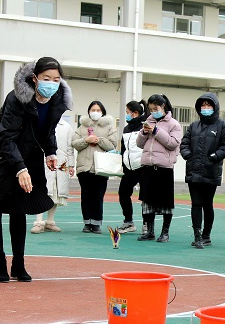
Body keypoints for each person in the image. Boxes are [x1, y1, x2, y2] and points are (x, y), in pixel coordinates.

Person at [0, 57, 72, 282]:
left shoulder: (56, 101)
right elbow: (6, 136)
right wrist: (20, 169)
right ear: (35, 78)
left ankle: (18, 264)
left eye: (56, 79)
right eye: (46, 78)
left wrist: (51, 152)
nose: (51, 83)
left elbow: (47, 130)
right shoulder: (16, 98)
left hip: (27, 154)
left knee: (19, 208)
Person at [180, 92, 225, 249]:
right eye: (203, 105)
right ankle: (197, 236)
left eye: (208, 105)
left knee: (207, 204)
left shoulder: (223, 126)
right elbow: (184, 143)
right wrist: (188, 155)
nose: (205, 108)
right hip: (193, 170)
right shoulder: (194, 126)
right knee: (196, 204)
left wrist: (215, 156)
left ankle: (206, 235)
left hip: (211, 170)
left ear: (215, 107)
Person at [135, 94, 182, 243]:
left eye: (156, 108)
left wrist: (156, 131)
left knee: (165, 202)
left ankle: (165, 232)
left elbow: (173, 143)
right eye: (151, 109)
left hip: (164, 167)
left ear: (163, 107)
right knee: (147, 201)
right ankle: (150, 231)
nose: (153, 111)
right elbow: (139, 143)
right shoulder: (148, 121)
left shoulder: (173, 124)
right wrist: (144, 132)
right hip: (147, 166)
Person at [72, 101, 118, 234]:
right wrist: (86, 140)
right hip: (84, 167)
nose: (95, 112)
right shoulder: (82, 127)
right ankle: (87, 222)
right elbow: (75, 143)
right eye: (93, 109)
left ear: (102, 112)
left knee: (98, 196)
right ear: (88, 112)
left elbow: (112, 145)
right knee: (86, 196)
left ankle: (96, 223)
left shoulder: (109, 127)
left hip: (101, 168)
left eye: (98, 110)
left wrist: (99, 140)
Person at [31, 116, 75, 234]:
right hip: (44, 161)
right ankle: (39, 222)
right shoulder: (42, 123)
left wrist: (71, 165)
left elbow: (70, 148)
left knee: (56, 192)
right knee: (42, 191)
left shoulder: (66, 127)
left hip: (61, 163)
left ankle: (50, 221)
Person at [117, 100, 147, 234]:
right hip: (129, 168)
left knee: (145, 196)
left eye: (128, 113)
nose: (127, 115)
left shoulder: (145, 126)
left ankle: (147, 224)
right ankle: (128, 221)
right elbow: (124, 148)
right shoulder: (126, 128)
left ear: (135, 113)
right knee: (123, 193)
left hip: (143, 166)